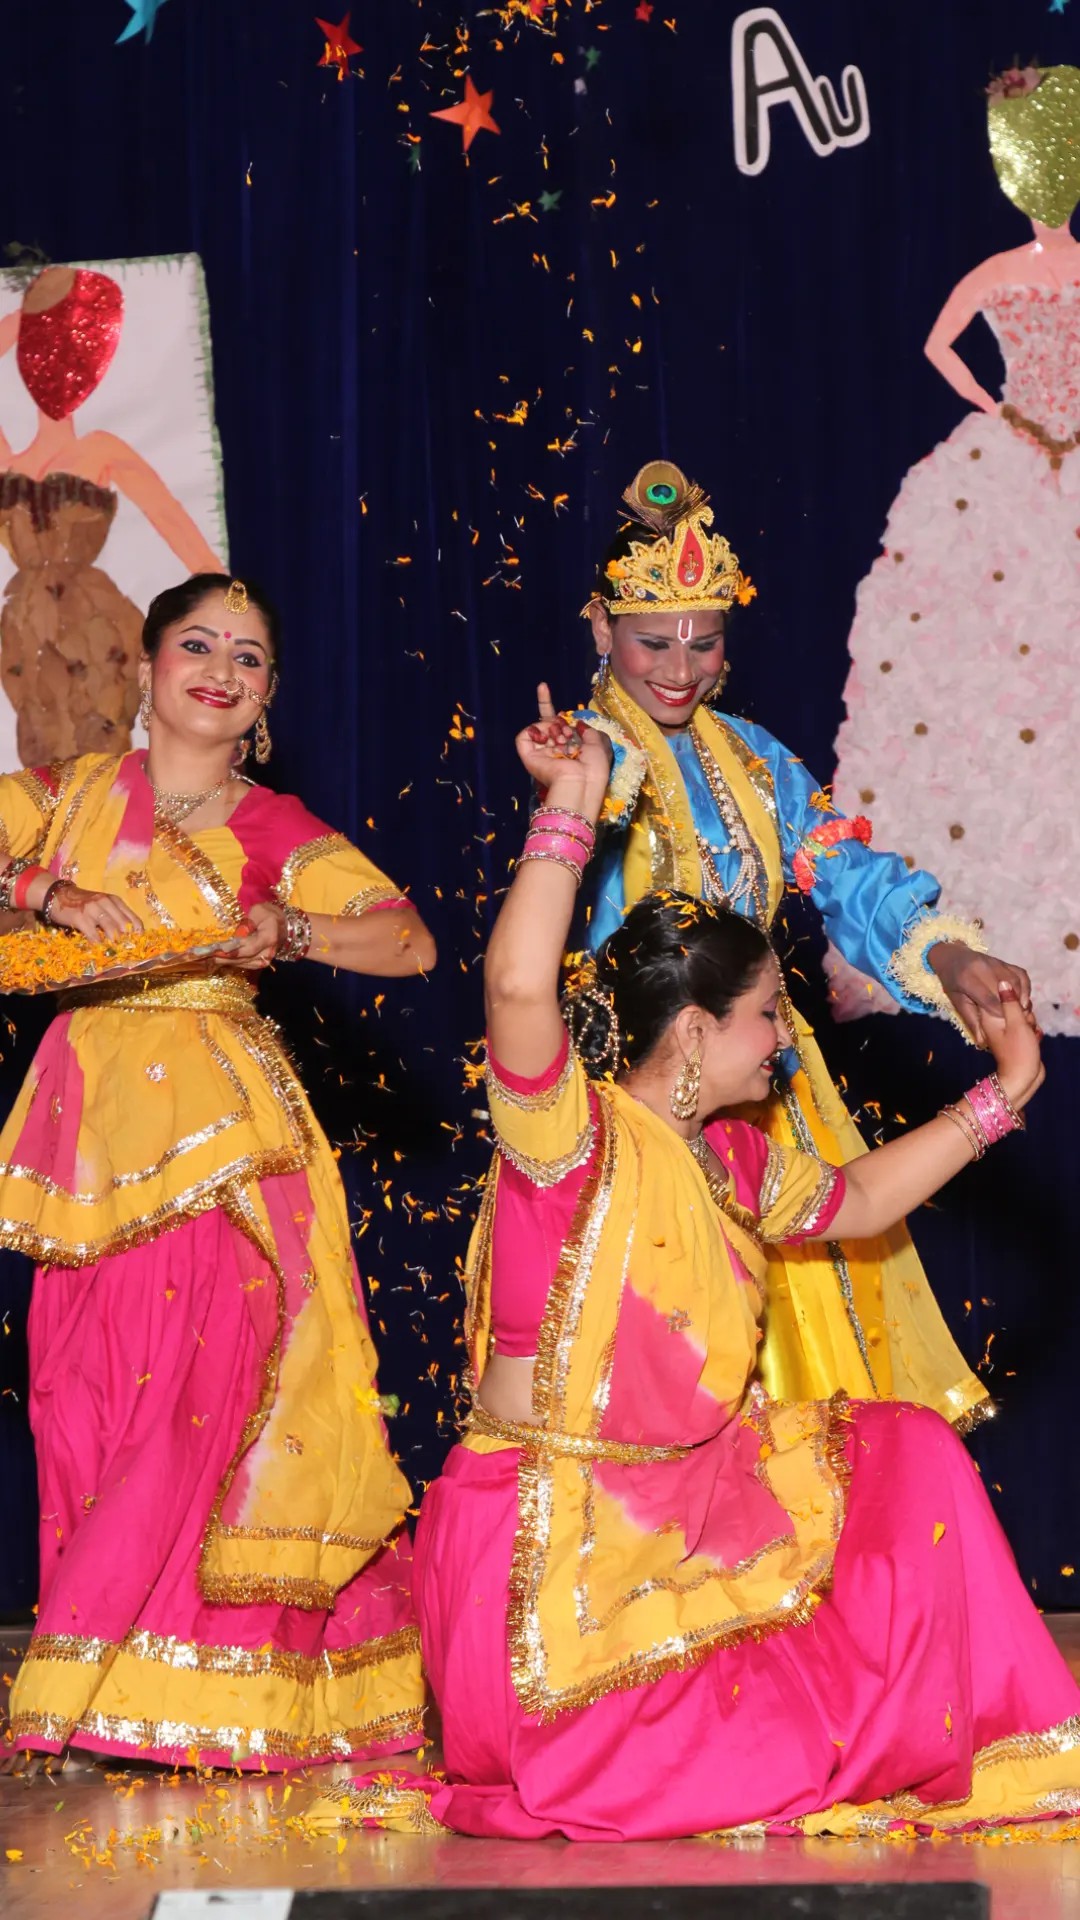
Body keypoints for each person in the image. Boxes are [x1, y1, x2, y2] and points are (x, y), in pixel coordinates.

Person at [316, 710, 1080, 1841]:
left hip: (676, 1518)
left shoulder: (731, 1157)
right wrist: (570, 807)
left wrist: (1004, 1094)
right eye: (767, 1014)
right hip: (551, 1570)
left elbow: (860, 1199)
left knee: (910, 1454)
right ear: (688, 1032)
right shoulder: (567, 1140)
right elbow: (521, 990)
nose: (781, 1038)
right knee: (778, 1749)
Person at [1, 571, 435, 1772]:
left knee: (205, 1402)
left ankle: (207, 1692)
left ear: (268, 698)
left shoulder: (272, 824)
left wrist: (292, 933)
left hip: (230, 1152)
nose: (222, 671)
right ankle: (109, 1687)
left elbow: (408, 939)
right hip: (86, 1142)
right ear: (144, 668)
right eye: (199, 644)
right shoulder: (64, 798)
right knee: (82, 1397)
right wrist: (40, 888)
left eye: (249, 659)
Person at [553, 457, 1033, 1427]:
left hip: (769, 1083)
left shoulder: (757, 760)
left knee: (813, 1373)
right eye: (652, 642)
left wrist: (948, 957)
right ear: (601, 628)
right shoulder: (577, 756)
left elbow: (848, 876)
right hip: (635, 1096)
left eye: (706, 641)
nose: (681, 669)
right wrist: (569, 794)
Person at [832, 63, 1080, 1035]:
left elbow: (945, 347)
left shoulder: (1001, 278)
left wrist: (999, 408)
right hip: (1022, 466)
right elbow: (940, 347)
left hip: (1016, 456)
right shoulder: (1011, 276)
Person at [0, 266, 223, 766]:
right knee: (39, 758)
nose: (51, 365)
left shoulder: (101, 450)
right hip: (27, 631)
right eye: (42, 349)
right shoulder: (9, 461)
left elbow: (171, 520)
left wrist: (225, 601)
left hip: (95, 626)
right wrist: (24, 319)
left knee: (98, 755)